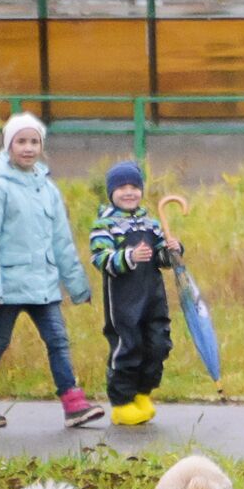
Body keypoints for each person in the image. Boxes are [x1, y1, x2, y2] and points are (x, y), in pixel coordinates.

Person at [0, 112, 104, 429]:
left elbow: (61, 240)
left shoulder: (48, 189)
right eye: (21, 141)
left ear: (42, 146)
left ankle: (73, 402)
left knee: (58, 340)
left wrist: (77, 285)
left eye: (34, 141)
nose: (28, 148)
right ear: (8, 145)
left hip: (44, 284)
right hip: (9, 286)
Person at [88, 160, 181, 426]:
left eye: (134, 187)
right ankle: (122, 402)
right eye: (122, 187)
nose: (129, 192)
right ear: (111, 192)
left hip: (153, 297)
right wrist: (129, 256)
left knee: (158, 343)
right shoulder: (105, 225)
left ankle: (143, 393)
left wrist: (172, 250)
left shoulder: (150, 224)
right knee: (128, 347)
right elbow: (100, 258)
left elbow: (162, 258)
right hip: (124, 302)